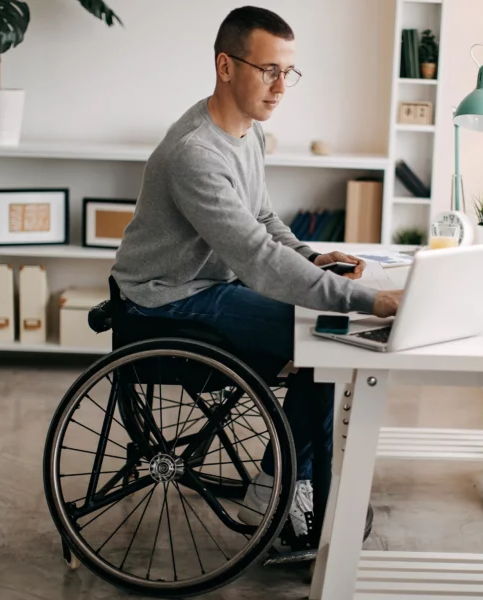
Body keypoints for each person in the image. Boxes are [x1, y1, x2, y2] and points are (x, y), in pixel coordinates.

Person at [111, 5, 402, 545]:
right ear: (226, 66)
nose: (281, 86)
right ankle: (291, 492)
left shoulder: (248, 134)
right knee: (324, 335)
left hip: (213, 283)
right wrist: (368, 300)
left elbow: (264, 221)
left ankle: (282, 487)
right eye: (269, 70)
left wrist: (313, 258)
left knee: (326, 336)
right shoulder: (195, 153)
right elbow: (257, 258)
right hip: (166, 297)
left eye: (287, 72)